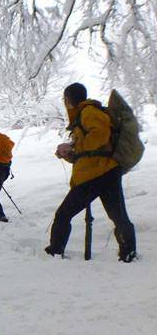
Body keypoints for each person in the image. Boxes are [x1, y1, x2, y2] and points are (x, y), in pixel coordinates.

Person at [46, 82, 136, 262]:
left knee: (63, 214)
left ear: (69, 100)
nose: (65, 103)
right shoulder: (85, 114)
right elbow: (89, 152)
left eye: (65, 99)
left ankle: (55, 251)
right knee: (118, 216)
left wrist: (74, 146)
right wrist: (69, 153)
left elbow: (100, 136)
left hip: (95, 175)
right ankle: (128, 253)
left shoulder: (88, 112)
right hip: (106, 172)